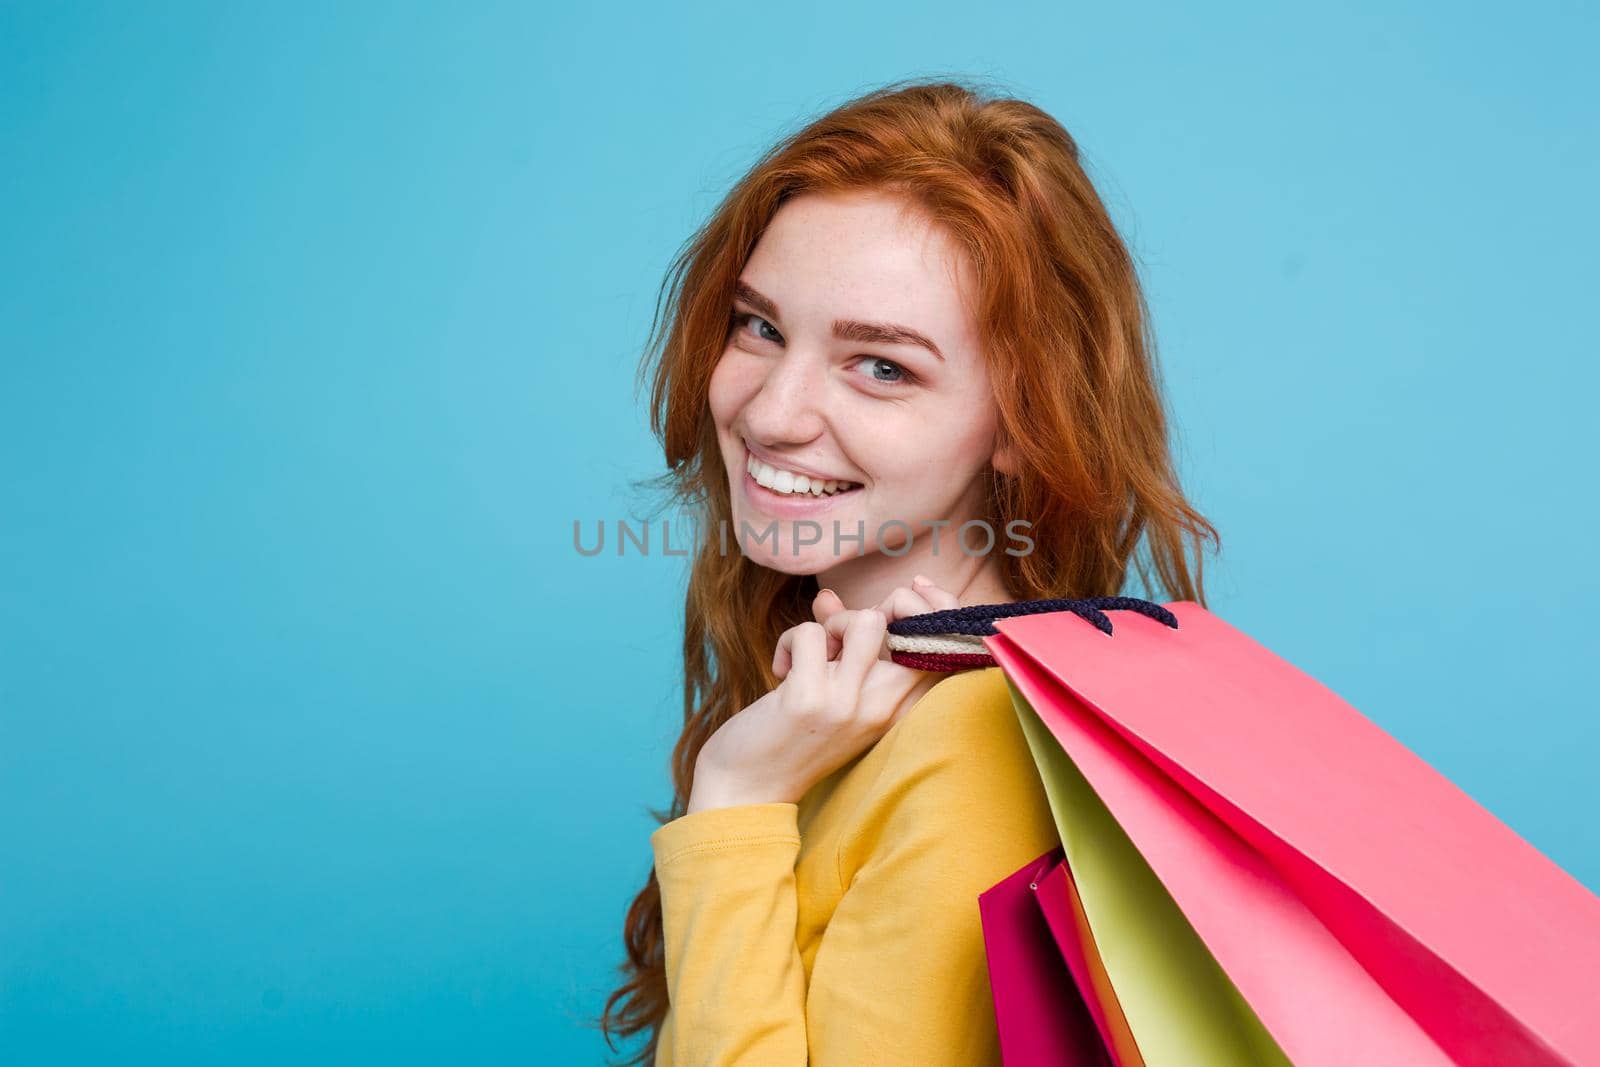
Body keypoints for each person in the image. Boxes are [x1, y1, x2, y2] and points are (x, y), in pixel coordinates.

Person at [592, 76, 1219, 1065]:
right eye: (759, 325)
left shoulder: (972, 741)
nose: (769, 413)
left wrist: (734, 798)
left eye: (881, 365)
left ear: (1023, 423)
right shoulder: (829, 693)